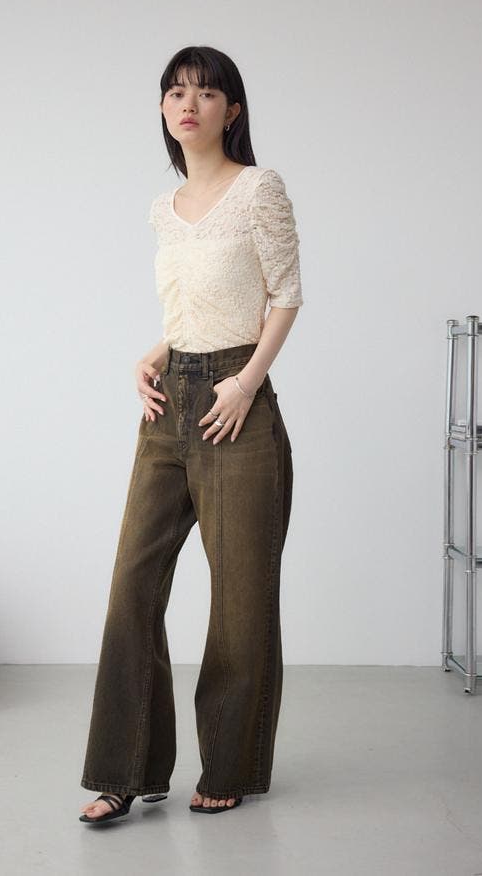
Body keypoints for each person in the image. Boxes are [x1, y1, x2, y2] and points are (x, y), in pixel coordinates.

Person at [79, 45, 303, 825]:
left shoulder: (259, 189)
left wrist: (245, 382)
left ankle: (230, 766)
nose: (188, 105)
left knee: (240, 600)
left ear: (231, 110)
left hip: (236, 403)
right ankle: (126, 770)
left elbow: (284, 295)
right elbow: (195, 307)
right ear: (163, 109)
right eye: (176, 92)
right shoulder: (162, 207)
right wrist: (156, 351)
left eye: (206, 93)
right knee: (132, 588)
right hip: (167, 407)